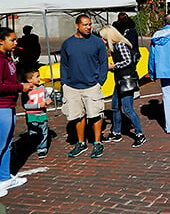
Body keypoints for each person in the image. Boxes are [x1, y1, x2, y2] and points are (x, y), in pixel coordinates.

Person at [60, 14, 108, 159]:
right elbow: (64, 65)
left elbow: (103, 63)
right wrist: (64, 83)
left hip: (92, 85)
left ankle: (98, 142)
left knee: (95, 115)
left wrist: (100, 81)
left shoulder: (97, 43)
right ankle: (81, 143)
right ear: (77, 26)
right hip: (72, 87)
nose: (88, 27)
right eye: (85, 25)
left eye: (89, 24)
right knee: (77, 116)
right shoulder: (68, 43)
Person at [99, 26, 146, 148]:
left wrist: (114, 66)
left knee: (128, 108)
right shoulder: (116, 46)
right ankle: (116, 132)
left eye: (103, 38)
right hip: (120, 81)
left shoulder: (120, 45)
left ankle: (140, 134)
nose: (102, 40)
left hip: (126, 81)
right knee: (115, 106)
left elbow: (127, 61)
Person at [0, 27, 33, 195]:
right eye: (12, 40)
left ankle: (4, 178)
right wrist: (21, 86)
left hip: (9, 106)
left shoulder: (7, 58)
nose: (15, 42)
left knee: (6, 144)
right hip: (2, 107)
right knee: (0, 145)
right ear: (1, 41)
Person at [21, 69, 52, 159]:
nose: (39, 78)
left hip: (42, 115)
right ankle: (32, 146)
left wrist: (47, 101)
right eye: (37, 76)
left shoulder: (42, 88)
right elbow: (25, 105)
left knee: (44, 132)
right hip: (31, 116)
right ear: (29, 80)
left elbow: (46, 97)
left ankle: (42, 148)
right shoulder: (26, 92)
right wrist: (38, 105)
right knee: (33, 133)